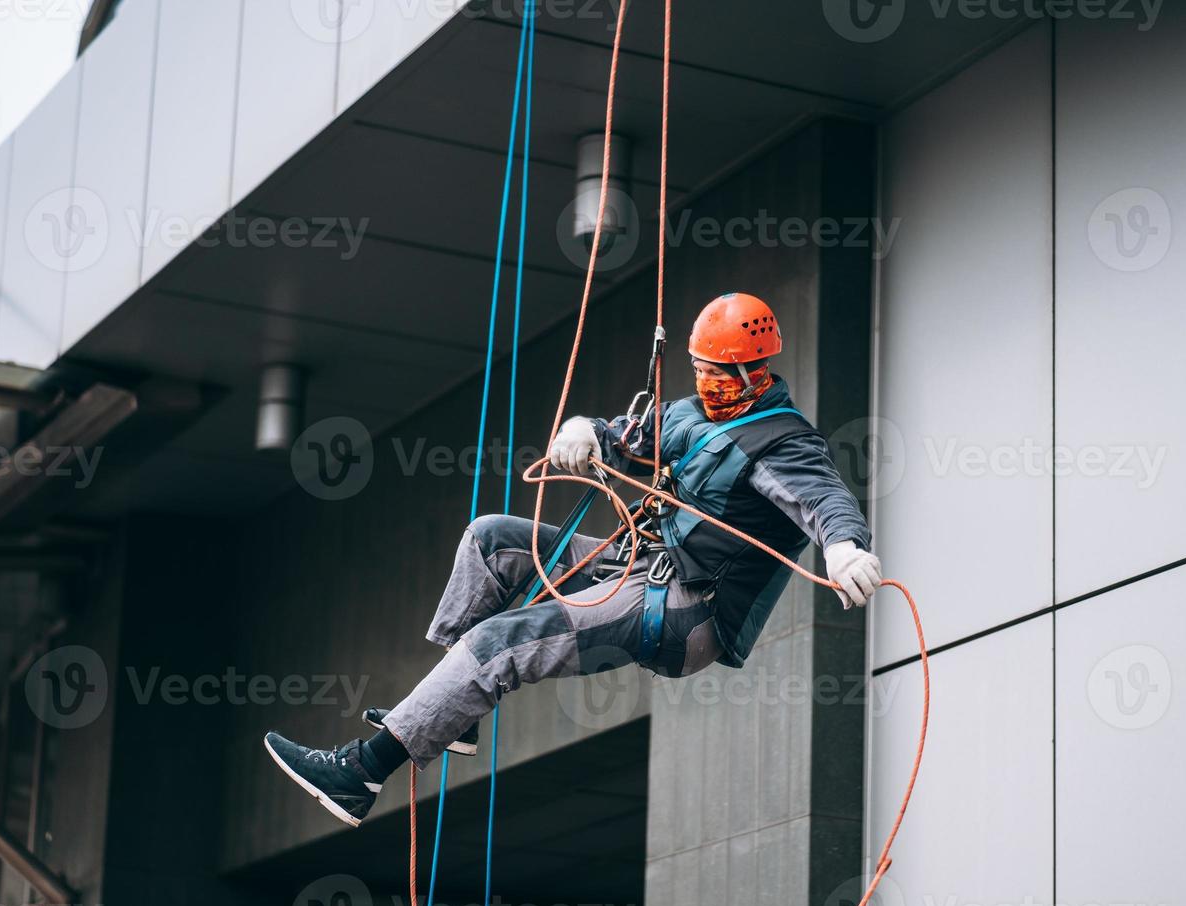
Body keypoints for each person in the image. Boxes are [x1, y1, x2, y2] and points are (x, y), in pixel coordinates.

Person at [263, 293, 883, 827]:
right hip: (640, 566)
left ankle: (362, 774)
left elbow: (824, 498)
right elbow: (627, 434)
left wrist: (845, 545)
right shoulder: (692, 417)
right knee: (491, 541)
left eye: (722, 377)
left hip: (685, 612)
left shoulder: (786, 442)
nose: (708, 388)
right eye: (701, 374)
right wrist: (588, 428)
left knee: (501, 642)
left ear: (758, 372)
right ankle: (453, 715)